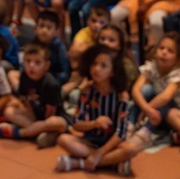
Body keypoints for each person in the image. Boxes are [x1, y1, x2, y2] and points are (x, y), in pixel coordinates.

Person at [55, 44, 132, 174]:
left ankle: (79, 163)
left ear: (112, 71)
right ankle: (111, 163)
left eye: (103, 66)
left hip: (112, 144)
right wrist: (95, 123)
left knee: (130, 148)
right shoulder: (87, 91)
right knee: (63, 139)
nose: (96, 69)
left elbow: (121, 132)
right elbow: (77, 124)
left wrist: (99, 153)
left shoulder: (121, 95)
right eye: (94, 64)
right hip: (91, 141)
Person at [0, 42, 70, 148]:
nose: (31, 66)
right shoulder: (24, 77)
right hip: (36, 116)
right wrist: (32, 118)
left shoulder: (51, 84)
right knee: (9, 111)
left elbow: (51, 112)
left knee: (54, 123)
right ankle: (39, 132)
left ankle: (21, 133)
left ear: (46, 65)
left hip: (52, 118)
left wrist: (41, 124)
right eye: (28, 61)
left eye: (37, 63)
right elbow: (27, 101)